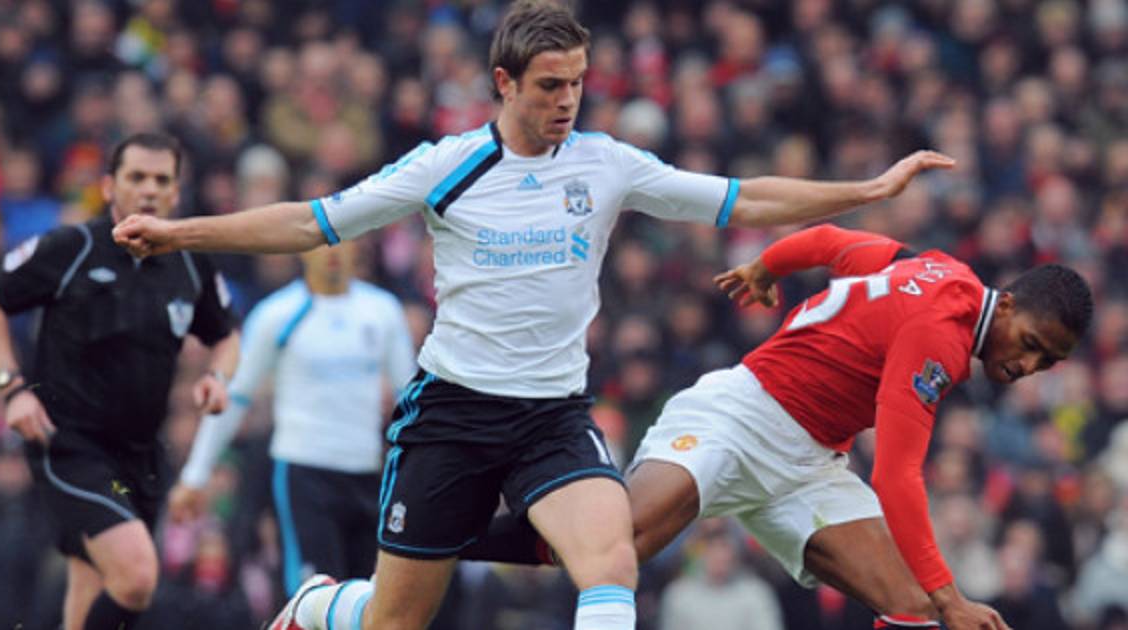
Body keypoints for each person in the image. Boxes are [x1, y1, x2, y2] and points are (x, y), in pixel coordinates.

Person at [111, 2, 953, 628]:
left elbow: (740, 198)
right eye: (551, 85)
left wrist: (867, 190)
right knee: (393, 620)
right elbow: (309, 223)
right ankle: (318, 606)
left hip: (552, 416)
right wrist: (180, 233)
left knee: (610, 561)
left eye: (579, 83)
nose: (568, 101)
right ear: (504, 83)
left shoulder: (607, 164)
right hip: (451, 415)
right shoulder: (445, 167)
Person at [462, 223, 1093, 630]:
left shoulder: (941, 269)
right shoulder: (942, 340)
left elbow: (832, 243)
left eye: (1048, 362)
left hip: (809, 464)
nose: (1028, 366)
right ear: (1007, 305)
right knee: (612, 544)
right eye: (1030, 343)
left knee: (913, 609)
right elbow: (897, 476)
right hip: (742, 417)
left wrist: (767, 266)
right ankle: (448, 528)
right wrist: (954, 595)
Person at [0, 132, 240, 630]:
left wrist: (217, 377)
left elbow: (226, 335)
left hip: (141, 455)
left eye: (161, 180)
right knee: (136, 577)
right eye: (137, 177)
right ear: (109, 186)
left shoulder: (189, 262)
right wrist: (13, 389)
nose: (149, 189)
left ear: (176, 192)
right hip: (70, 444)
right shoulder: (71, 248)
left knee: (91, 590)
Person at [168, 240, 416, 595]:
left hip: (367, 474)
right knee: (314, 596)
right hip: (304, 474)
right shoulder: (278, 314)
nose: (332, 251)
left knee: (365, 599)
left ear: (358, 247)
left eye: (342, 239)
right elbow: (235, 397)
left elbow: (410, 399)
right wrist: (195, 475)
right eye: (322, 241)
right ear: (302, 248)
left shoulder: (382, 311)